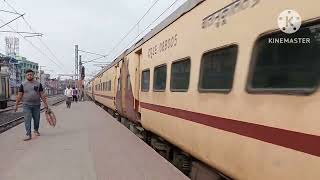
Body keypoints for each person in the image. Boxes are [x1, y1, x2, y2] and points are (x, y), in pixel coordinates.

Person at [15, 69, 49, 141]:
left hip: (36, 105)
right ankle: (28, 134)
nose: (29, 76)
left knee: (37, 119)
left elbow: (42, 94)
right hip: (26, 105)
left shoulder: (38, 84)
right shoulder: (23, 84)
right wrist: (16, 105)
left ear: (33, 75)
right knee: (27, 119)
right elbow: (19, 95)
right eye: (28, 75)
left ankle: (36, 130)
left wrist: (45, 104)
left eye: (31, 74)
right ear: (26, 76)